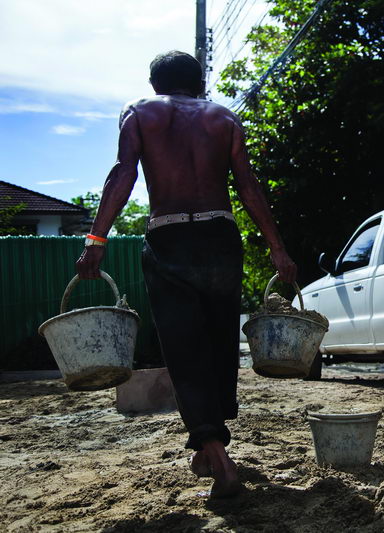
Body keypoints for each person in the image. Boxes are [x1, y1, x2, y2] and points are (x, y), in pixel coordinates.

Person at [75, 50, 297, 496]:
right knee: (217, 344)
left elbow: (123, 175)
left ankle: (216, 453)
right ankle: (207, 444)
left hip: (170, 238)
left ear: (156, 83)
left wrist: (95, 241)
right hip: (221, 237)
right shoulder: (225, 118)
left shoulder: (140, 112)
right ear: (199, 84)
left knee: (183, 348)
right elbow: (248, 185)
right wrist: (278, 249)